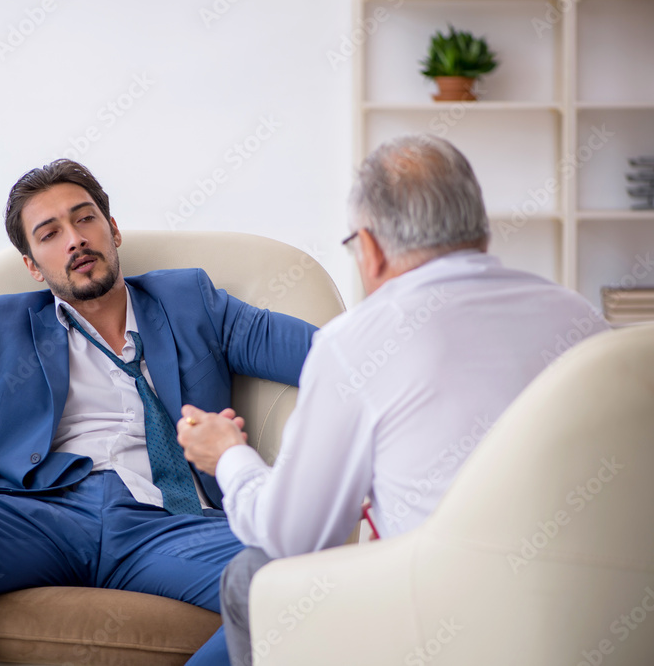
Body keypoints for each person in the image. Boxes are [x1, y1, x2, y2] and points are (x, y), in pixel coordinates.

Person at [0, 159, 318, 665]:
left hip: (170, 525)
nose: (74, 239)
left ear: (113, 230)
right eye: (50, 233)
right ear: (33, 266)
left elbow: (327, 359)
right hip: (44, 516)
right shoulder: (0, 325)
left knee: (291, 581)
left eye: (84, 219)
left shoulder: (192, 301)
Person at [175, 134, 611, 665]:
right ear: (481, 229)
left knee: (252, 576)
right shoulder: (579, 317)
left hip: (453, 624)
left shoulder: (358, 341)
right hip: (589, 610)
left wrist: (228, 457)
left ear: (371, 247)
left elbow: (295, 538)